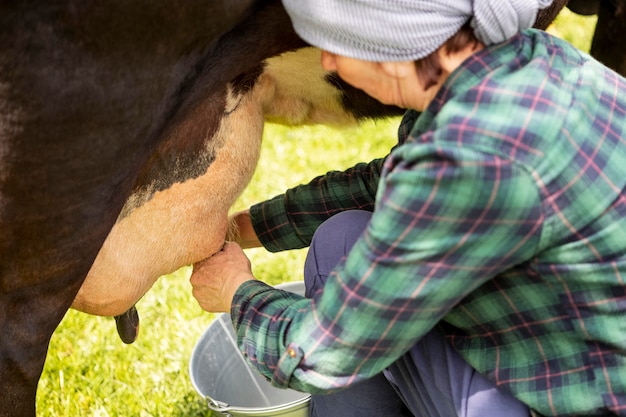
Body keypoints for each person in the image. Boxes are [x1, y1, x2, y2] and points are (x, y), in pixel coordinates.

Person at [190, 0, 626, 416]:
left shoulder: (470, 160)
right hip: (569, 354)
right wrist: (251, 227)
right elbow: (388, 186)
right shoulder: (530, 63)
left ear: (392, 42)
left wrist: (235, 292)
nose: (327, 63)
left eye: (336, 43)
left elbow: (325, 352)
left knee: (343, 276)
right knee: (341, 239)